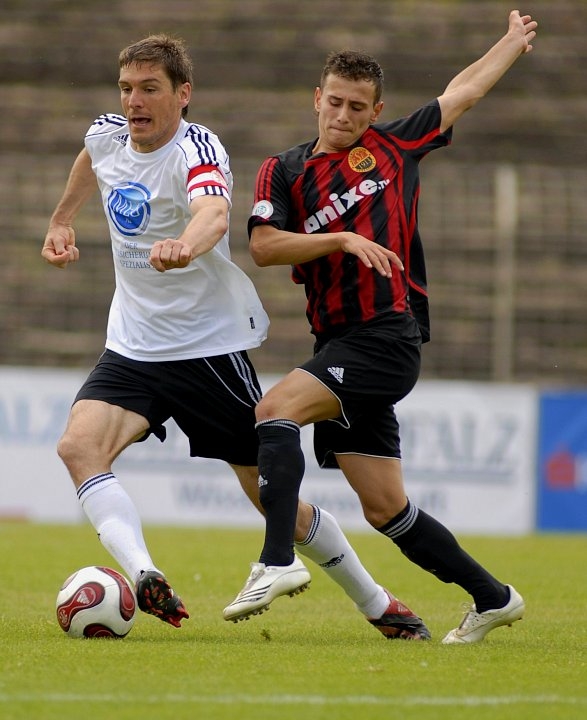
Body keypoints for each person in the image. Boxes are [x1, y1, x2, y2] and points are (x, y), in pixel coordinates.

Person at [41, 34, 430, 640]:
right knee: (77, 447)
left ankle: (378, 603)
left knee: (274, 502)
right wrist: (62, 219)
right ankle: (144, 574)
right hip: (133, 345)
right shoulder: (107, 134)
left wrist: (185, 244)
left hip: (206, 351)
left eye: (149, 89)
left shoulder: (198, 148)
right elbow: (92, 159)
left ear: (183, 94)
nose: (134, 101)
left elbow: (214, 214)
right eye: (126, 88)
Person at [226, 10, 537, 644]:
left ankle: (277, 560)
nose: (343, 115)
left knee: (274, 411)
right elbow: (263, 246)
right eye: (334, 102)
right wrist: (340, 237)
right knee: (386, 508)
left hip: (386, 336)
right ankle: (494, 597)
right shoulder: (283, 171)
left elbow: (464, 92)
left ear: (376, 111)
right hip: (337, 341)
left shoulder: (392, 148)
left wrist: (509, 42)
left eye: (357, 107)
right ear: (317, 98)